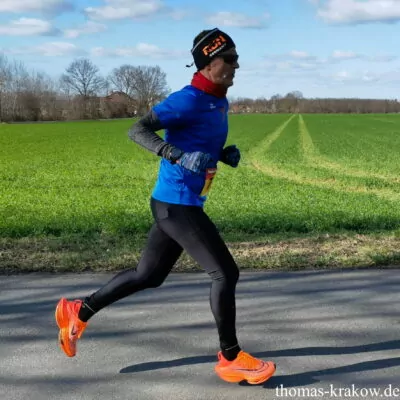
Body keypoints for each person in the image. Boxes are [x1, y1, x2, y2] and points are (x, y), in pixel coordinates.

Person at [55, 27, 276, 385]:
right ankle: (231, 357)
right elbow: (137, 130)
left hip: (177, 202)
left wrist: (221, 153)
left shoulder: (218, 100)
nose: (236, 66)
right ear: (208, 62)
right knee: (225, 273)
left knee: (149, 276)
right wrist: (173, 154)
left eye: (237, 59)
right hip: (177, 205)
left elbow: (197, 137)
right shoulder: (186, 99)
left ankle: (78, 310)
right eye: (230, 59)